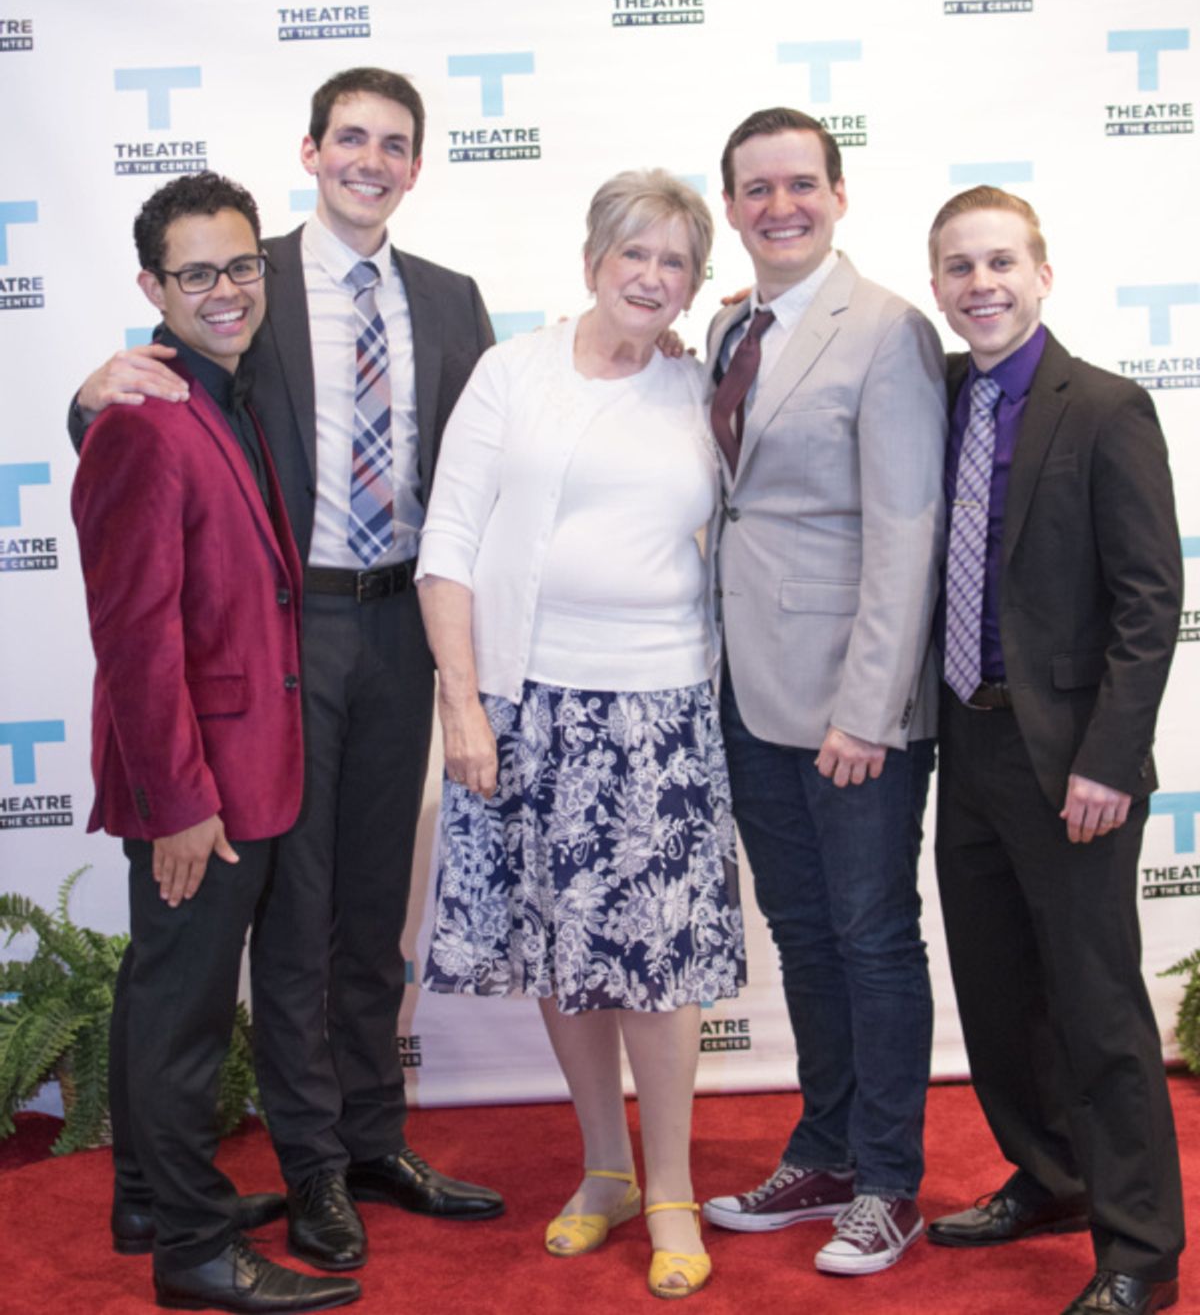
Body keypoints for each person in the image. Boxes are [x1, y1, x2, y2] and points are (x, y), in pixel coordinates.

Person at [70, 68, 502, 1274]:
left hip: (402, 627)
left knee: (373, 908)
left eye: (396, 143)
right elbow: (145, 417)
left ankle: (372, 1138)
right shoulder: (240, 274)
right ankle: (311, 1165)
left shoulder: (454, 300)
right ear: (311, 150)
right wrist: (86, 384)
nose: (371, 159)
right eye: (350, 137)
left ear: (417, 165)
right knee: (297, 914)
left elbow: (496, 451)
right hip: (283, 633)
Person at [415, 169, 745, 1300]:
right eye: (634, 255)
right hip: (525, 700)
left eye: (676, 263)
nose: (652, 278)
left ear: (695, 283)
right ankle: (601, 1165)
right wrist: (463, 700)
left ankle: (668, 1184)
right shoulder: (512, 372)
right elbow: (449, 540)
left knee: (655, 963)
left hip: (659, 705)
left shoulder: (700, 388)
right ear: (593, 259)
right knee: (565, 947)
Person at [73, 172, 360, 1313]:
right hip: (195, 783)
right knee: (186, 1012)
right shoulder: (142, 418)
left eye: (243, 265)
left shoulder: (226, 393)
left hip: (251, 764)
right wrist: (181, 799)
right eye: (198, 273)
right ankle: (191, 1248)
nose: (228, 289)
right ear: (154, 286)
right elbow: (132, 637)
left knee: (163, 991)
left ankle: (146, 1192)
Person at [924, 186, 1185, 1315]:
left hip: (1074, 762)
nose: (980, 284)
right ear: (936, 285)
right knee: (995, 992)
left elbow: (1149, 598)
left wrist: (1110, 759)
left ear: (1042, 273)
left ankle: (1140, 1250)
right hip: (963, 745)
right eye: (957, 267)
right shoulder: (933, 394)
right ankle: (1052, 1172)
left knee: (1096, 1007)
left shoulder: (1108, 407)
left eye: (1000, 263)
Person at [700, 108, 947, 1276]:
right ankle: (828, 1147)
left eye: (801, 183)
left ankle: (890, 1179)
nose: (779, 205)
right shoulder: (724, 323)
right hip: (747, 691)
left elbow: (906, 526)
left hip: (853, 702)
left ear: (839, 195)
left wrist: (872, 704)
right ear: (732, 205)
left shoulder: (887, 328)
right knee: (802, 934)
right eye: (756, 188)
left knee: (872, 935)